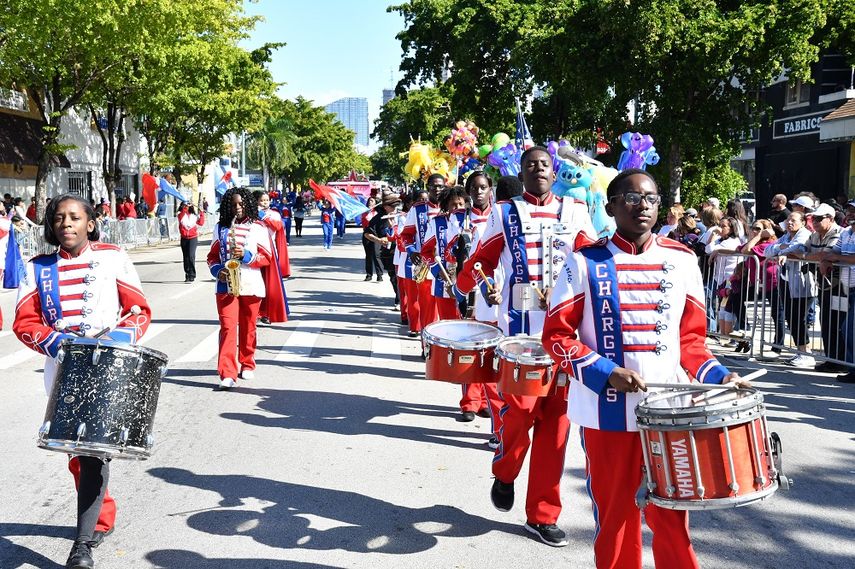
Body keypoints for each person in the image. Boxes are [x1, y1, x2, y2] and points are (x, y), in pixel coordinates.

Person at [542, 169, 743, 569]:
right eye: (632, 198)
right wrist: (603, 371)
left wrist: (721, 378)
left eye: (651, 199)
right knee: (616, 517)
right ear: (612, 206)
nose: (643, 206)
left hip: (668, 412)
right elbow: (556, 337)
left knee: (672, 515)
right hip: (607, 412)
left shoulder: (683, 260)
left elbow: (691, 343)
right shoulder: (584, 262)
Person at [453, 146, 596, 547]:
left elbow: (596, 260)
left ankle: (542, 514)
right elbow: (483, 257)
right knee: (518, 416)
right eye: (530, 165)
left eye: (544, 165)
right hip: (520, 337)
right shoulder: (504, 211)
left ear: (554, 172)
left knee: (556, 430)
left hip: (567, 337)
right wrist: (464, 287)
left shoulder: (576, 209)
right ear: (521, 170)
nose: (538, 170)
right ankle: (506, 468)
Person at [13, 194, 151, 569]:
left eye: (75, 217)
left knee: (92, 451)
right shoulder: (37, 267)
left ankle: (82, 545)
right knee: (78, 453)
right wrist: (57, 342)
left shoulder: (112, 256)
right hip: (62, 367)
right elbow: (24, 322)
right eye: (59, 218)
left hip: (105, 364)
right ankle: (100, 514)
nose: (67, 224)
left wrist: (115, 342)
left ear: (90, 223)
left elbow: (139, 310)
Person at [206, 188, 273, 390]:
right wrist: (218, 270)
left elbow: (267, 258)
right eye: (233, 205)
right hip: (226, 285)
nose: (237, 208)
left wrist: (246, 255)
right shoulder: (220, 228)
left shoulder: (258, 228)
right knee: (227, 328)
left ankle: (247, 362)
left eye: (241, 204)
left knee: (248, 327)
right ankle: (227, 373)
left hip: (251, 284)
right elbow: (212, 257)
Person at [764, 211, 817, 368]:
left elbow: (799, 248)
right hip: (787, 280)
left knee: (798, 317)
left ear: (802, 222)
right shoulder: (786, 236)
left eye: (793, 220)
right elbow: (768, 250)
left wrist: (783, 251)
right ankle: (801, 351)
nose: (789, 223)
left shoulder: (805, 234)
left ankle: (806, 353)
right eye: (788, 220)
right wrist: (783, 248)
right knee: (790, 316)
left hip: (803, 283)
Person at [799, 204, 844, 370]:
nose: (815, 221)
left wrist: (803, 256)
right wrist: (804, 254)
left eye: (819, 218)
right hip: (824, 285)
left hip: (840, 286)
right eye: (813, 218)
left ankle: (840, 360)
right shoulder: (814, 235)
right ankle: (831, 359)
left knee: (838, 322)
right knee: (825, 320)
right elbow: (802, 248)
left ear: (830, 219)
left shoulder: (838, 233)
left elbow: (824, 255)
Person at [401, 175, 443, 333]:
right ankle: (427, 347)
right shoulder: (418, 209)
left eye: (440, 186)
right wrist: (411, 250)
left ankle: (443, 349)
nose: (437, 189)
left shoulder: (453, 208)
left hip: (447, 266)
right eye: (433, 186)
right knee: (427, 308)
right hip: (424, 266)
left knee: (445, 309)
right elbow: (406, 235)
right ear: (428, 186)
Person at [421, 186, 468, 321]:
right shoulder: (437, 223)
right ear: (446, 205)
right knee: (448, 326)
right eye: (453, 204)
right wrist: (437, 270)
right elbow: (425, 252)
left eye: (460, 204)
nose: (457, 207)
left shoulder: (470, 222)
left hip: (467, 281)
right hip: (444, 282)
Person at [820, 199, 855, 383]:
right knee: (847, 328)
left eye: (854, 211)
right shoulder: (847, 233)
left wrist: (834, 257)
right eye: (849, 211)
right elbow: (833, 252)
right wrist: (827, 260)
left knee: (849, 328)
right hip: (847, 288)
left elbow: (840, 256)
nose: (850, 214)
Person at [254, 190, 291, 326]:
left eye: (267, 200)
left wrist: (263, 217)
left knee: (270, 285)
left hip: (270, 252)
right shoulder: (251, 215)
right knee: (256, 283)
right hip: (254, 252)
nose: (265, 203)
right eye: (262, 200)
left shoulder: (274, 214)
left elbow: (278, 226)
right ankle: (256, 312)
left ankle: (268, 313)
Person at [365, 194, 403, 306]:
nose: (395, 209)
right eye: (392, 206)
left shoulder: (401, 216)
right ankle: (398, 298)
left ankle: (401, 300)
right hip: (388, 252)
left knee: (401, 277)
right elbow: (367, 234)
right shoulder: (378, 219)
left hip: (402, 251)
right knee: (394, 277)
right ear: (386, 206)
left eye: (396, 206)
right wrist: (379, 240)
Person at [178, 202, 205, 282]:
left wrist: (201, 212)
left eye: (188, 206)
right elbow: (182, 214)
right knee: (185, 257)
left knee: (191, 256)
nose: (186, 207)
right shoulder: (180, 215)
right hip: (184, 238)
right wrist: (186, 205)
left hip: (193, 238)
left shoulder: (194, 216)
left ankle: (192, 274)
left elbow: (201, 223)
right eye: (184, 206)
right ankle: (187, 274)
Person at [361, 197, 384, 281]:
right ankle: (369, 274)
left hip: (376, 236)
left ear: (375, 203)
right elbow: (363, 223)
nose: (370, 202)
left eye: (372, 201)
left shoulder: (378, 212)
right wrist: (367, 213)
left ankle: (379, 275)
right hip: (366, 235)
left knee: (376, 255)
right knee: (368, 255)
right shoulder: (365, 212)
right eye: (369, 201)